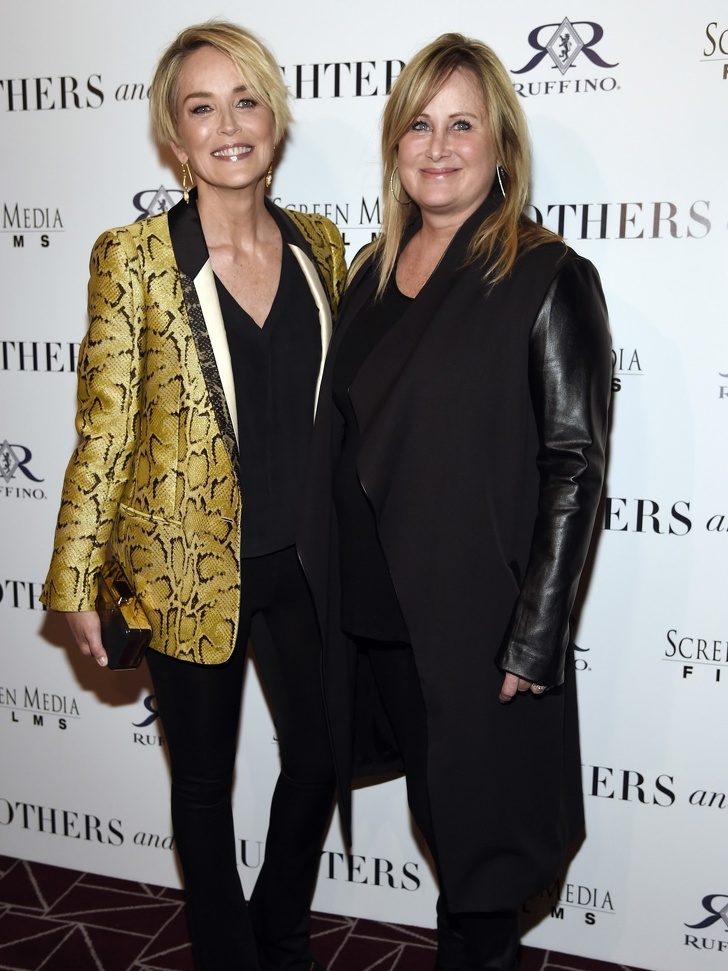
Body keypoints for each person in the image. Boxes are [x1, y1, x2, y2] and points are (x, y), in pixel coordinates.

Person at [298, 32, 611, 971]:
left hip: (475, 623)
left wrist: (537, 634)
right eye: (419, 125)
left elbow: (575, 466)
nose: (438, 147)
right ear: (395, 144)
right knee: (445, 822)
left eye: (462, 125)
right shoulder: (368, 272)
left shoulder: (547, 276)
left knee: (483, 854)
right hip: (377, 615)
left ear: (501, 144)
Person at [41, 21, 346, 971]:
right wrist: (75, 579)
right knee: (205, 784)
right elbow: (103, 427)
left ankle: (280, 931)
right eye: (202, 107)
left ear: (274, 118)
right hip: (184, 566)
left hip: (307, 562)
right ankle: (227, 953)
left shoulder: (321, 246)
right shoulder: (132, 257)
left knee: (321, 758)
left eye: (246, 101)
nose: (228, 126)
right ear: (175, 135)